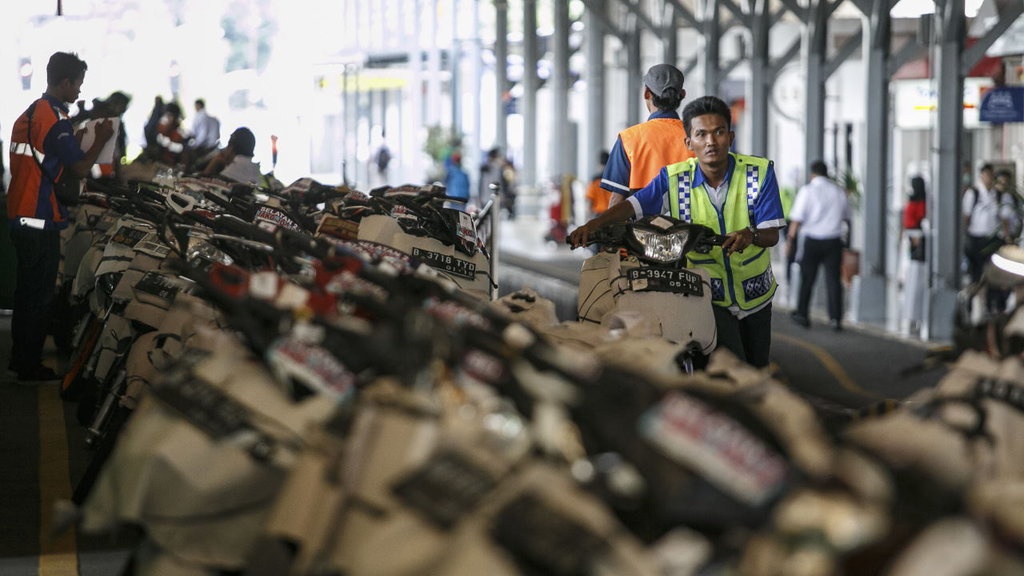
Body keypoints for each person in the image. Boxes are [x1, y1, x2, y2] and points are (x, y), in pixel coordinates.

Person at [568, 95, 785, 368]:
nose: (710, 141)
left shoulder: (759, 173)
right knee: (731, 367)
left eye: (718, 132)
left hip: (755, 296)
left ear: (730, 137)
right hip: (706, 294)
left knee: (756, 369)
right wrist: (592, 226)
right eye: (701, 134)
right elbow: (632, 206)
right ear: (688, 143)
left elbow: (771, 234)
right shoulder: (673, 177)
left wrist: (749, 235)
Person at [7, 51, 114, 383]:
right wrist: (101, 140)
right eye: (78, 84)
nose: (80, 91)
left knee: (26, 292)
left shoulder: (30, 114)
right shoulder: (54, 121)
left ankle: (20, 358)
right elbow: (80, 167)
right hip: (40, 217)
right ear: (65, 82)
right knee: (40, 294)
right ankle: (29, 365)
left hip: (19, 212)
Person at [601, 63, 695, 209]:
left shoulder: (629, 138)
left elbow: (617, 199)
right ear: (682, 95)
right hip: (690, 227)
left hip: (641, 229)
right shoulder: (697, 137)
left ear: (646, 93)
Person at [787, 161, 852, 331]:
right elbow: (847, 218)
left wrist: (790, 241)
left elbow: (797, 219)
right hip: (834, 241)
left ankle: (802, 314)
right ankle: (836, 319)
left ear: (813, 174)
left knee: (807, 279)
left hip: (813, 240)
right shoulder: (838, 192)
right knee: (833, 281)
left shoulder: (807, 191)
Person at [962, 163, 1014, 313]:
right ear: (981, 176)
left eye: (991, 176)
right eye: (986, 175)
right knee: (976, 274)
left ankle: (992, 304)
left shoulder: (998, 195)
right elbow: (966, 216)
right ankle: (972, 304)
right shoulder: (974, 193)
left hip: (992, 240)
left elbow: (1004, 218)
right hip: (976, 239)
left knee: (992, 273)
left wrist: (1007, 237)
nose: (989, 179)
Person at [901, 175, 928, 336]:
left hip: (916, 245)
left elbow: (909, 222)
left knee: (915, 280)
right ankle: (914, 315)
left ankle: (914, 315)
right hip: (919, 245)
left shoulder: (914, 202)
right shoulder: (925, 202)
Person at [153, 101, 187, 166]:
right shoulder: (160, 127)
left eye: (171, 116)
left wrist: (170, 144)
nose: (169, 118)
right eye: (167, 115)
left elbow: (182, 148)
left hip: (173, 161)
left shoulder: (179, 132)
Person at [585, 150, 612, 217]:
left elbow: (589, 201)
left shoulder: (594, 181)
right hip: (611, 213)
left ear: (599, 164)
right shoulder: (614, 181)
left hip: (598, 215)